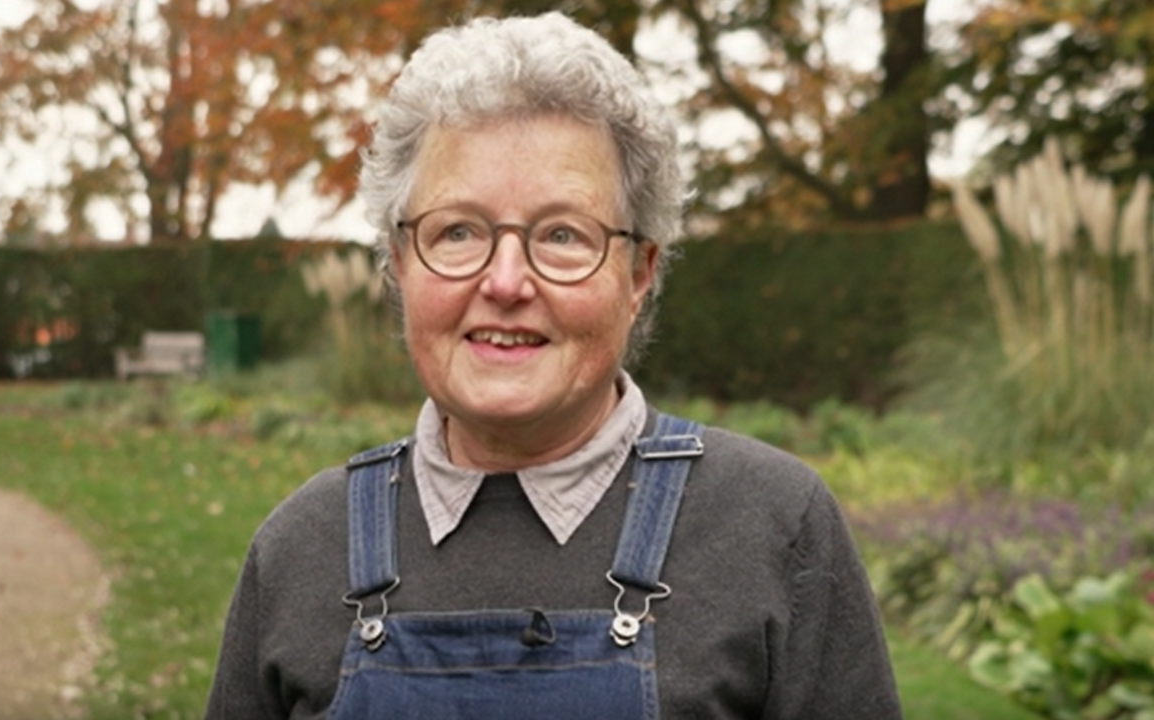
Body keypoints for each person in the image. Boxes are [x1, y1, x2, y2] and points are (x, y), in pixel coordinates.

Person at [204, 12, 901, 720]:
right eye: (458, 231)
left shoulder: (772, 529)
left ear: (639, 274)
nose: (506, 282)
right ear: (399, 265)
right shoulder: (301, 551)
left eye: (563, 234)